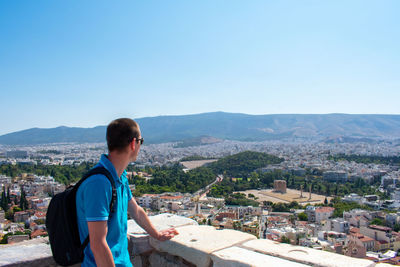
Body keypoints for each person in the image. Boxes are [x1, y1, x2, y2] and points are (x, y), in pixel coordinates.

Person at [76, 118, 178, 267]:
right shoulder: (98, 183)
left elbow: (135, 210)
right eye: (141, 141)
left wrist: (156, 234)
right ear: (133, 143)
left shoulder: (119, 176)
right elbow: (98, 244)